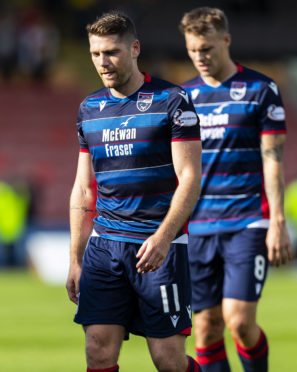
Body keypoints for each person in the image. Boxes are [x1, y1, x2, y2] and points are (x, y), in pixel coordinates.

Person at [65, 11, 203, 372]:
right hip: (104, 246)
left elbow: (190, 177)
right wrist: (76, 259)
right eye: (95, 54)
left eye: (111, 52)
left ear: (134, 48)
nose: (102, 62)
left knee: (168, 360)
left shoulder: (173, 101)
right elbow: (83, 189)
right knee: (98, 352)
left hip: (158, 245)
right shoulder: (89, 110)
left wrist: (163, 237)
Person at [179, 7, 292, 372]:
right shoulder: (183, 98)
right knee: (205, 329)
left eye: (208, 48)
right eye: (194, 50)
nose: (201, 57)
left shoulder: (261, 90)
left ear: (226, 41)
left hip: (246, 221)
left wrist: (277, 221)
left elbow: (272, 159)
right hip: (196, 228)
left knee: (239, 321)